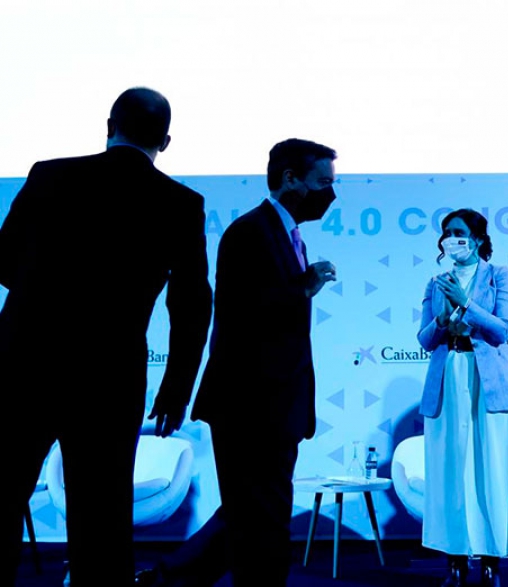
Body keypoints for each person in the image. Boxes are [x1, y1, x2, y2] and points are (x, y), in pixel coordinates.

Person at [0, 87, 213, 585]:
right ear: (166, 141)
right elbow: (191, 306)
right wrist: (176, 388)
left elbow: (4, 262)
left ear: (109, 126)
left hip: (23, 364)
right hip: (110, 376)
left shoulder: (49, 175)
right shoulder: (181, 203)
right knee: (102, 517)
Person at [135, 138, 337, 587]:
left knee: (251, 513)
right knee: (261, 520)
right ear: (290, 178)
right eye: (323, 182)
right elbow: (240, 311)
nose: (330, 194)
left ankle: (167, 579)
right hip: (251, 404)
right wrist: (303, 287)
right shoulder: (249, 232)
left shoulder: (288, 234)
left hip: (278, 405)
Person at [417, 209, 508, 587]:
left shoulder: (498, 275)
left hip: (487, 378)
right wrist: (442, 320)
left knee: (491, 468)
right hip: (449, 375)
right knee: (450, 470)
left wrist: (467, 304)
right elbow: (425, 339)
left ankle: (491, 561)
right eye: (446, 233)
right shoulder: (436, 282)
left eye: (459, 232)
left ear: (477, 238)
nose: (451, 239)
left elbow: (502, 330)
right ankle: (456, 561)